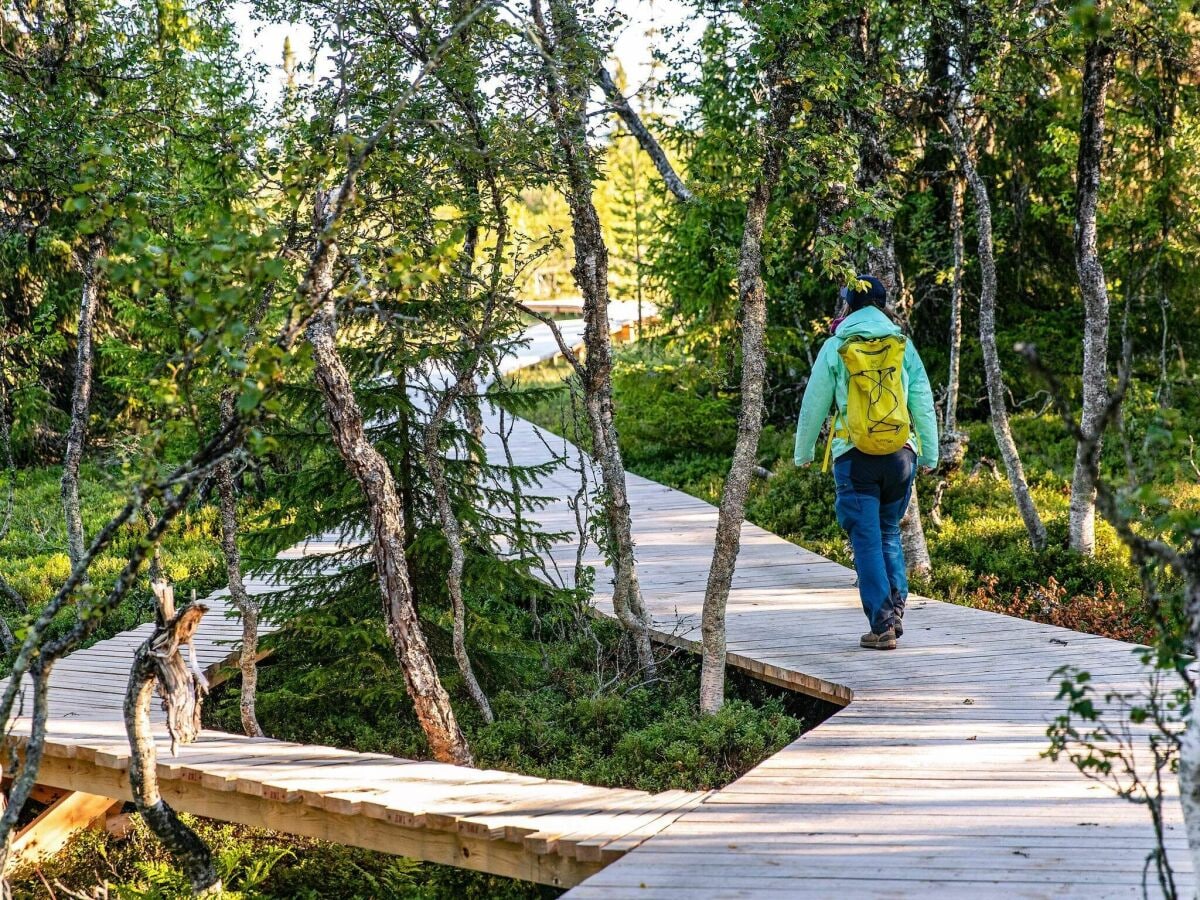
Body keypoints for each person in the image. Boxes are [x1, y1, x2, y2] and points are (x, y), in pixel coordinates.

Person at [794, 275, 938, 650]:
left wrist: (803, 452)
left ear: (849, 305)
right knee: (888, 531)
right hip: (900, 454)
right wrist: (931, 453)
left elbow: (814, 403)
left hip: (854, 456)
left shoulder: (836, 345)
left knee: (867, 541)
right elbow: (922, 398)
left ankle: (882, 624)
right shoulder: (901, 344)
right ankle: (897, 607)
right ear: (881, 303)